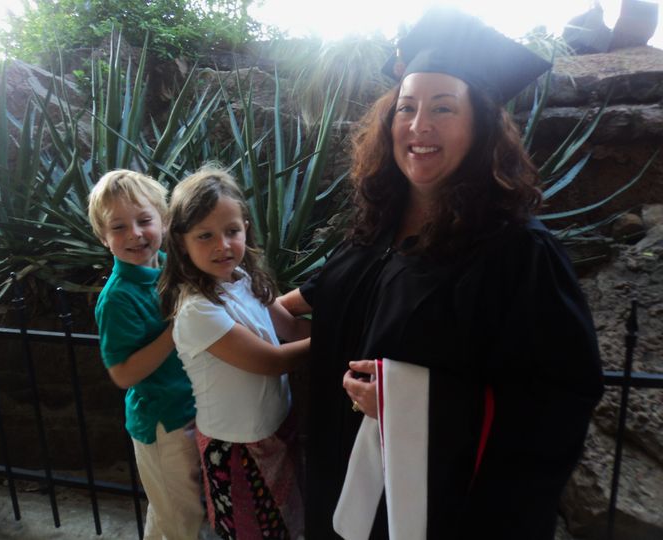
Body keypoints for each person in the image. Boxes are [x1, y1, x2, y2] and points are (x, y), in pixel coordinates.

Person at [280, 7, 604, 540]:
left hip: (435, 512)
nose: (419, 125)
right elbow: (312, 305)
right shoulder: (371, 233)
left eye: (444, 107)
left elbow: (558, 400)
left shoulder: (517, 252)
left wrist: (418, 403)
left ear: (481, 125)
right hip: (340, 493)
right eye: (405, 107)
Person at [158, 164, 310, 540]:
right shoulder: (197, 310)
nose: (222, 245)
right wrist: (344, 336)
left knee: (288, 528)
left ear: (245, 227)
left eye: (232, 231)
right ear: (181, 243)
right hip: (237, 448)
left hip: (276, 428)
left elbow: (289, 328)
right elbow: (270, 361)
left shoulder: (242, 279)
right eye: (205, 235)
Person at [88, 169, 203, 539]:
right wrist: (173, 333)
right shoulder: (118, 297)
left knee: (177, 510)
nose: (135, 234)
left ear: (164, 221)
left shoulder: (172, 267)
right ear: (105, 239)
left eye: (143, 220)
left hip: (190, 410)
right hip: (163, 424)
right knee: (179, 518)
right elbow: (122, 374)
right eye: (118, 227)